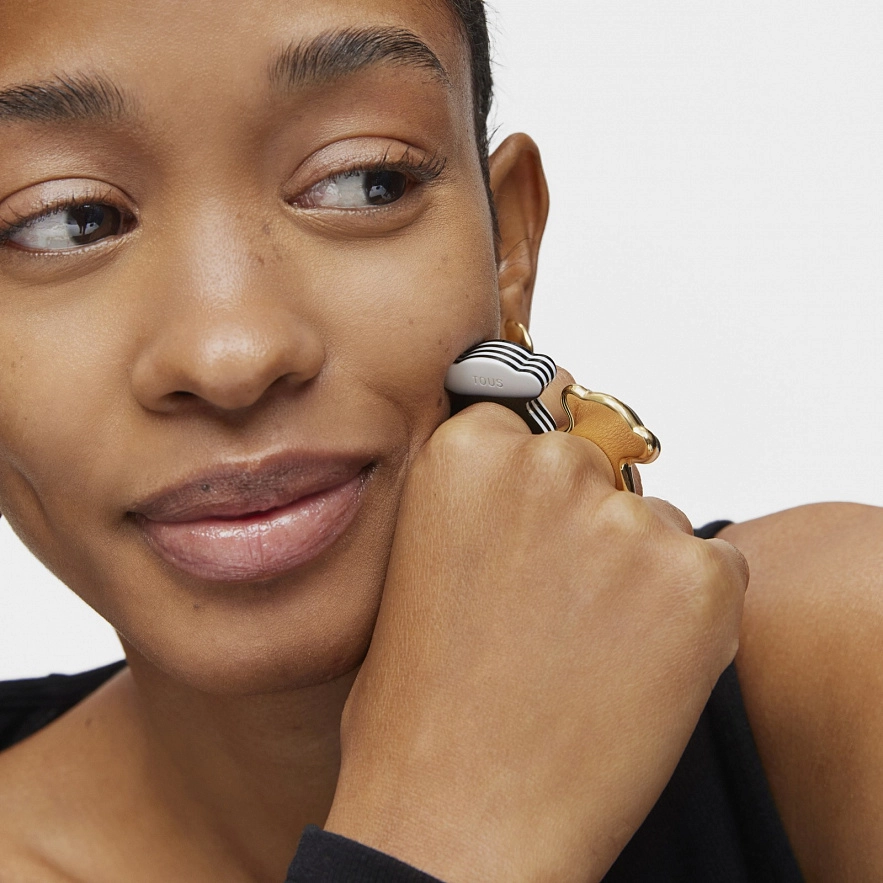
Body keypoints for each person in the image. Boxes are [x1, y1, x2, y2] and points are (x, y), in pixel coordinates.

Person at [0, 1, 878, 881]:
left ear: (508, 247)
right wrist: (447, 839)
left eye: (364, 180)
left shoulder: (843, 660)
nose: (234, 354)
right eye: (68, 220)